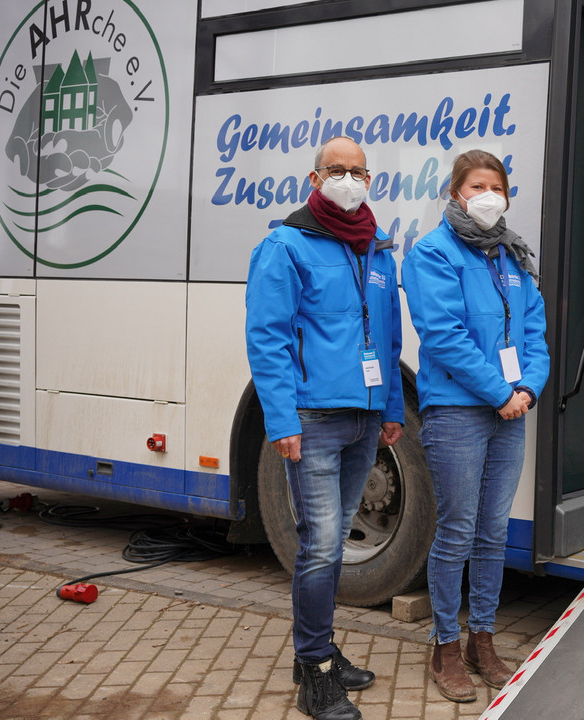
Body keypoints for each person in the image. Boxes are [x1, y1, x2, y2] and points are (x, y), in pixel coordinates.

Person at [246, 136, 404, 720]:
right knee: (319, 547)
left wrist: (390, 409)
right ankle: (313, 673)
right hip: (312, 421)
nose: (348, 179)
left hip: (364, 420)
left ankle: (319, 652)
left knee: (334, 545)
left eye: (358, 171)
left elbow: (389, 338)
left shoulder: (378, 249)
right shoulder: (285, 246)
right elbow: (269, 337)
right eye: (336, 170)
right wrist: (281, 418)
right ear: (314, 180)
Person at [402, 149, 549, 703]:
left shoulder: (512, 256)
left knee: (493, 531)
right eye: (477, 186)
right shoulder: (432, 254)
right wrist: (500, 393)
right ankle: (444, 645)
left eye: (497, 187)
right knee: (458, 530)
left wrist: (528, 388)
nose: (489, 196)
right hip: (459, 411)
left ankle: (480, 640)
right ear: (454, 194)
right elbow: (443, 337)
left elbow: (535, 332)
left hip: (510, 409)